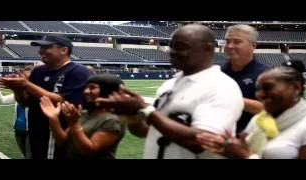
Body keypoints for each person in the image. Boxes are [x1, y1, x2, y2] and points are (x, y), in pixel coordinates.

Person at [96, 24, 244, 159]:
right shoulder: (169, 85)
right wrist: (132, 116)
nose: (172, 52)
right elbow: (147, 131)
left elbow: (202, 141)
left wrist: (145, 110)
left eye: (181, 47)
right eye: (171, 46)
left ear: (207, 48)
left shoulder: (222, 86)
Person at [0, 35, 92, 159]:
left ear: (64, 50)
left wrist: (26, 84)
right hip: (35, 134)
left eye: (46, 47)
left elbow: (64, 101)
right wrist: (18, 90)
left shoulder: (78, 72)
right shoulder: (38, 71)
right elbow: (26, 102)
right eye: (40, 47)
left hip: (57, 136)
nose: (40, 51)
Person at [196, 63, 306, 159]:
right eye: (258, 89)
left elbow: (246, 155)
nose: (260, 94)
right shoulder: (257, 120)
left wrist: (244, 156)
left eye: (268, 87)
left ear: (296, 88)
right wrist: (228, 148)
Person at [39, 73, 125, 159]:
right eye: (86, 88)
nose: (86, 91)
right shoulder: (84, 114)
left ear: (108, 91)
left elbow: (89, 151)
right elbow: (63, 142)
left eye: (92, 88)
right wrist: (53, 119)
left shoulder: (112, 120)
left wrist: (74, 123)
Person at [221, 24, 269, 134]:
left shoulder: (266, 74)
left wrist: (233, 100)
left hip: (251, 138)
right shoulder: (219, 72)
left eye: (237, 42)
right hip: (221, 135)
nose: (230, 46)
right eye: (228, 42)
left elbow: (269, 109)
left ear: (253, 46)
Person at [0, 66, 33, 159]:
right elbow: (2, 100)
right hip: (18, 130)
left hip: (31, 132)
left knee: (30, 155)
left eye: (23, 77)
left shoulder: (35, 94)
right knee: (25, 155)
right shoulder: (18, 93)